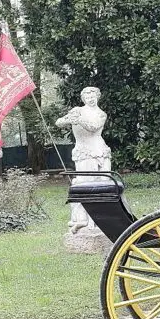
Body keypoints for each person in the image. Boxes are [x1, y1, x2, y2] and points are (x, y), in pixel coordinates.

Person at [56, 86, 112, 232]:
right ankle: (82, 220)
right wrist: (68, 119)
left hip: (99, 151)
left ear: (98, 97)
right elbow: (59, 122)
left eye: (93, 96)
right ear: (83, 98)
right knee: (84, 184)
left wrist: (79, 120)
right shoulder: (77, 110)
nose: (90, 98)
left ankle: (101, 219)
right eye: (87, 96)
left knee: (103, 183)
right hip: (83, 152)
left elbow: (94, 127)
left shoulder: (101, 114)